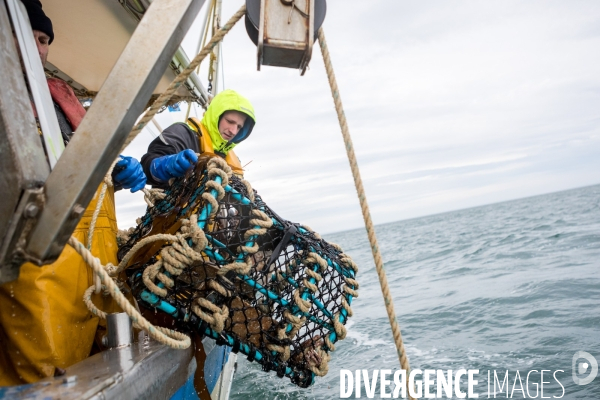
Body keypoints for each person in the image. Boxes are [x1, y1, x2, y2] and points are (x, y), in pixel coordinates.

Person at [0, 0, 145, 385]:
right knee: (41, 371)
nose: (37, 45)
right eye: (23, 32)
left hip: (95, 269)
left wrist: (119, 168)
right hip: (35, 274)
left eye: (43, 38)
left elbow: (91, 155)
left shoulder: (60, 95)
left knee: (102, 344)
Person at [141, 89, 256, 188]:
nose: (233, 131)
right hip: (173, 212)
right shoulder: (182, 134)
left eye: (239, 127)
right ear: (216, 116)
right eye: (230, 121)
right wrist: (165, 166)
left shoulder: (234, 162)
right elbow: (145, 168)